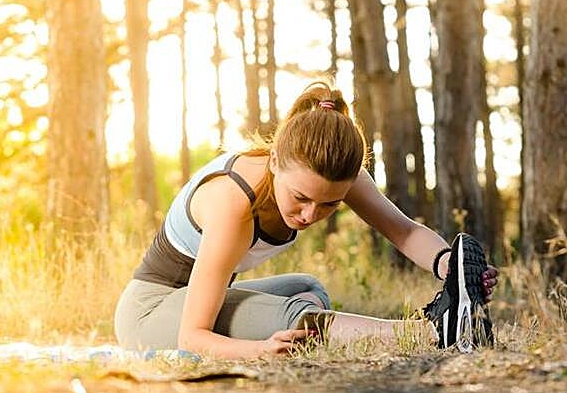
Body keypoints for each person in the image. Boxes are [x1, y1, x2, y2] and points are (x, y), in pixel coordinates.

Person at [114, 81, 499, 359]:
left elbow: (405, 231)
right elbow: (192, 336)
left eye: (329, 204)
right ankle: (433, 332)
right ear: (275, 161)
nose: (311, 215)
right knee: (296, 317)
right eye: (300, 198)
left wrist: (449, 266)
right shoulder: (234, 201)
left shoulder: (333, 172)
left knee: (307, 287)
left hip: (201, 300)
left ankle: (450, 319)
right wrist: (257, 349)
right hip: (150, 314)